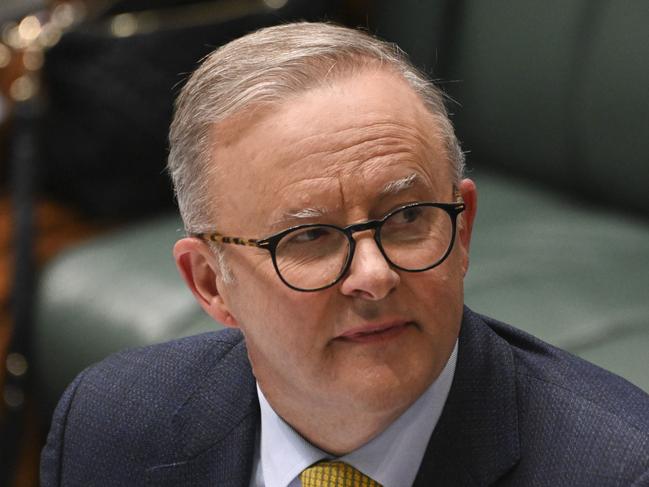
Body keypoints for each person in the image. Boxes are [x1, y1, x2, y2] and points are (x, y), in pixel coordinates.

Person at [40, 22, 649, 486]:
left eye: (409, 217)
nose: (375, 275)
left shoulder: (618, 468)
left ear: (462, 232)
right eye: (309, 237)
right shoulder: (107, 425)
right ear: (211, 284)